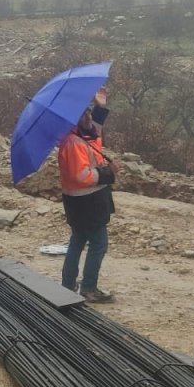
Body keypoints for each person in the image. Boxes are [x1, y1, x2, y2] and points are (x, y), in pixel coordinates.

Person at [57, 89, 116, 303]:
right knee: (98, 243)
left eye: (89, 112)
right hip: (86, 201)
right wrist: (109, 173)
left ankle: (68, 285)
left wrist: (100, 107)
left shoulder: (82, 135)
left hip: (80, 201)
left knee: (78, 240)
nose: (88, 117)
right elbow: (82, 175)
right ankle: (89, 288)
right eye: (84, 114)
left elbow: (95, 133)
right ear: (75, 119)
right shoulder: (73, 143)